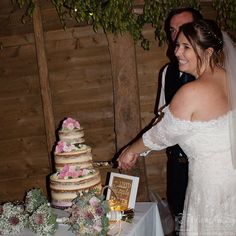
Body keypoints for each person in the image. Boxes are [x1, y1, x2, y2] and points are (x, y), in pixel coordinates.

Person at [117, 19, 236, 235]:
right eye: (177, 45)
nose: (177, 52)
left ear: (208, 52)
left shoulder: (190, 92)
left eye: (186, 47)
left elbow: (161, 135)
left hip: (209, 187)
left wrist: (130, 152)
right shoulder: (230, 79)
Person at [156, 8, 203, 222]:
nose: (176, 37)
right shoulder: (167, 72)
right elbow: (163, 120)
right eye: (172, 31)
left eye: (183, 29)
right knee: (180, 221)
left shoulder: (222, 74)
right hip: (177, 165)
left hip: (206, 167)